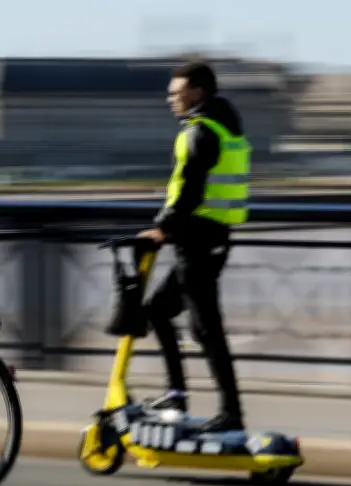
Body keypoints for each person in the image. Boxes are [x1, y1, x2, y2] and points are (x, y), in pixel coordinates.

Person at [138, 61, 250, 433]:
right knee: (158, 310)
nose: (171, 99)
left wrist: (161, 229)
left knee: (206, 329)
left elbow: (189, 190)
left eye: (176, 93)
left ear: (197, 93)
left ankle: (229, 412)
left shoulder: (199, 133)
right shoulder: (226, 127)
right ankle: (177, 393)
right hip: (215, 238)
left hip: (197, 242)